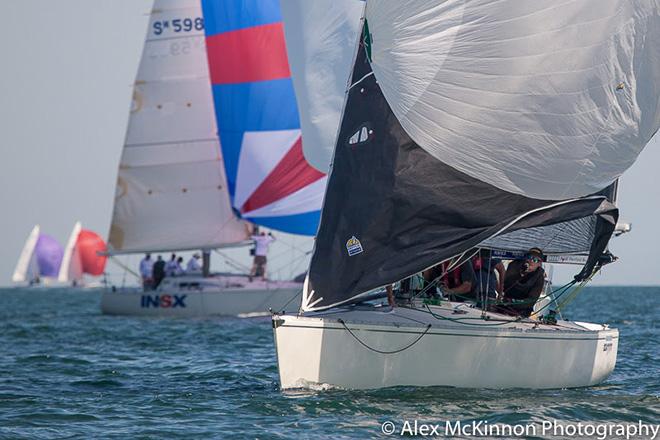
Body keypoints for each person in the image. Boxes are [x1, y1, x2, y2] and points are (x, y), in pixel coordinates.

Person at [499, 248, 546, 317]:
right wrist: (520, 274)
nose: (531, 261)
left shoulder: (539, 277)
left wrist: (515, 303)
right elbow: (506, 285)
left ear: (539, 263)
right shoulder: (513, 266)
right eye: (529, 257)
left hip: (522, 310)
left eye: (535, 260)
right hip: (505, 305)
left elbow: (531, 300)